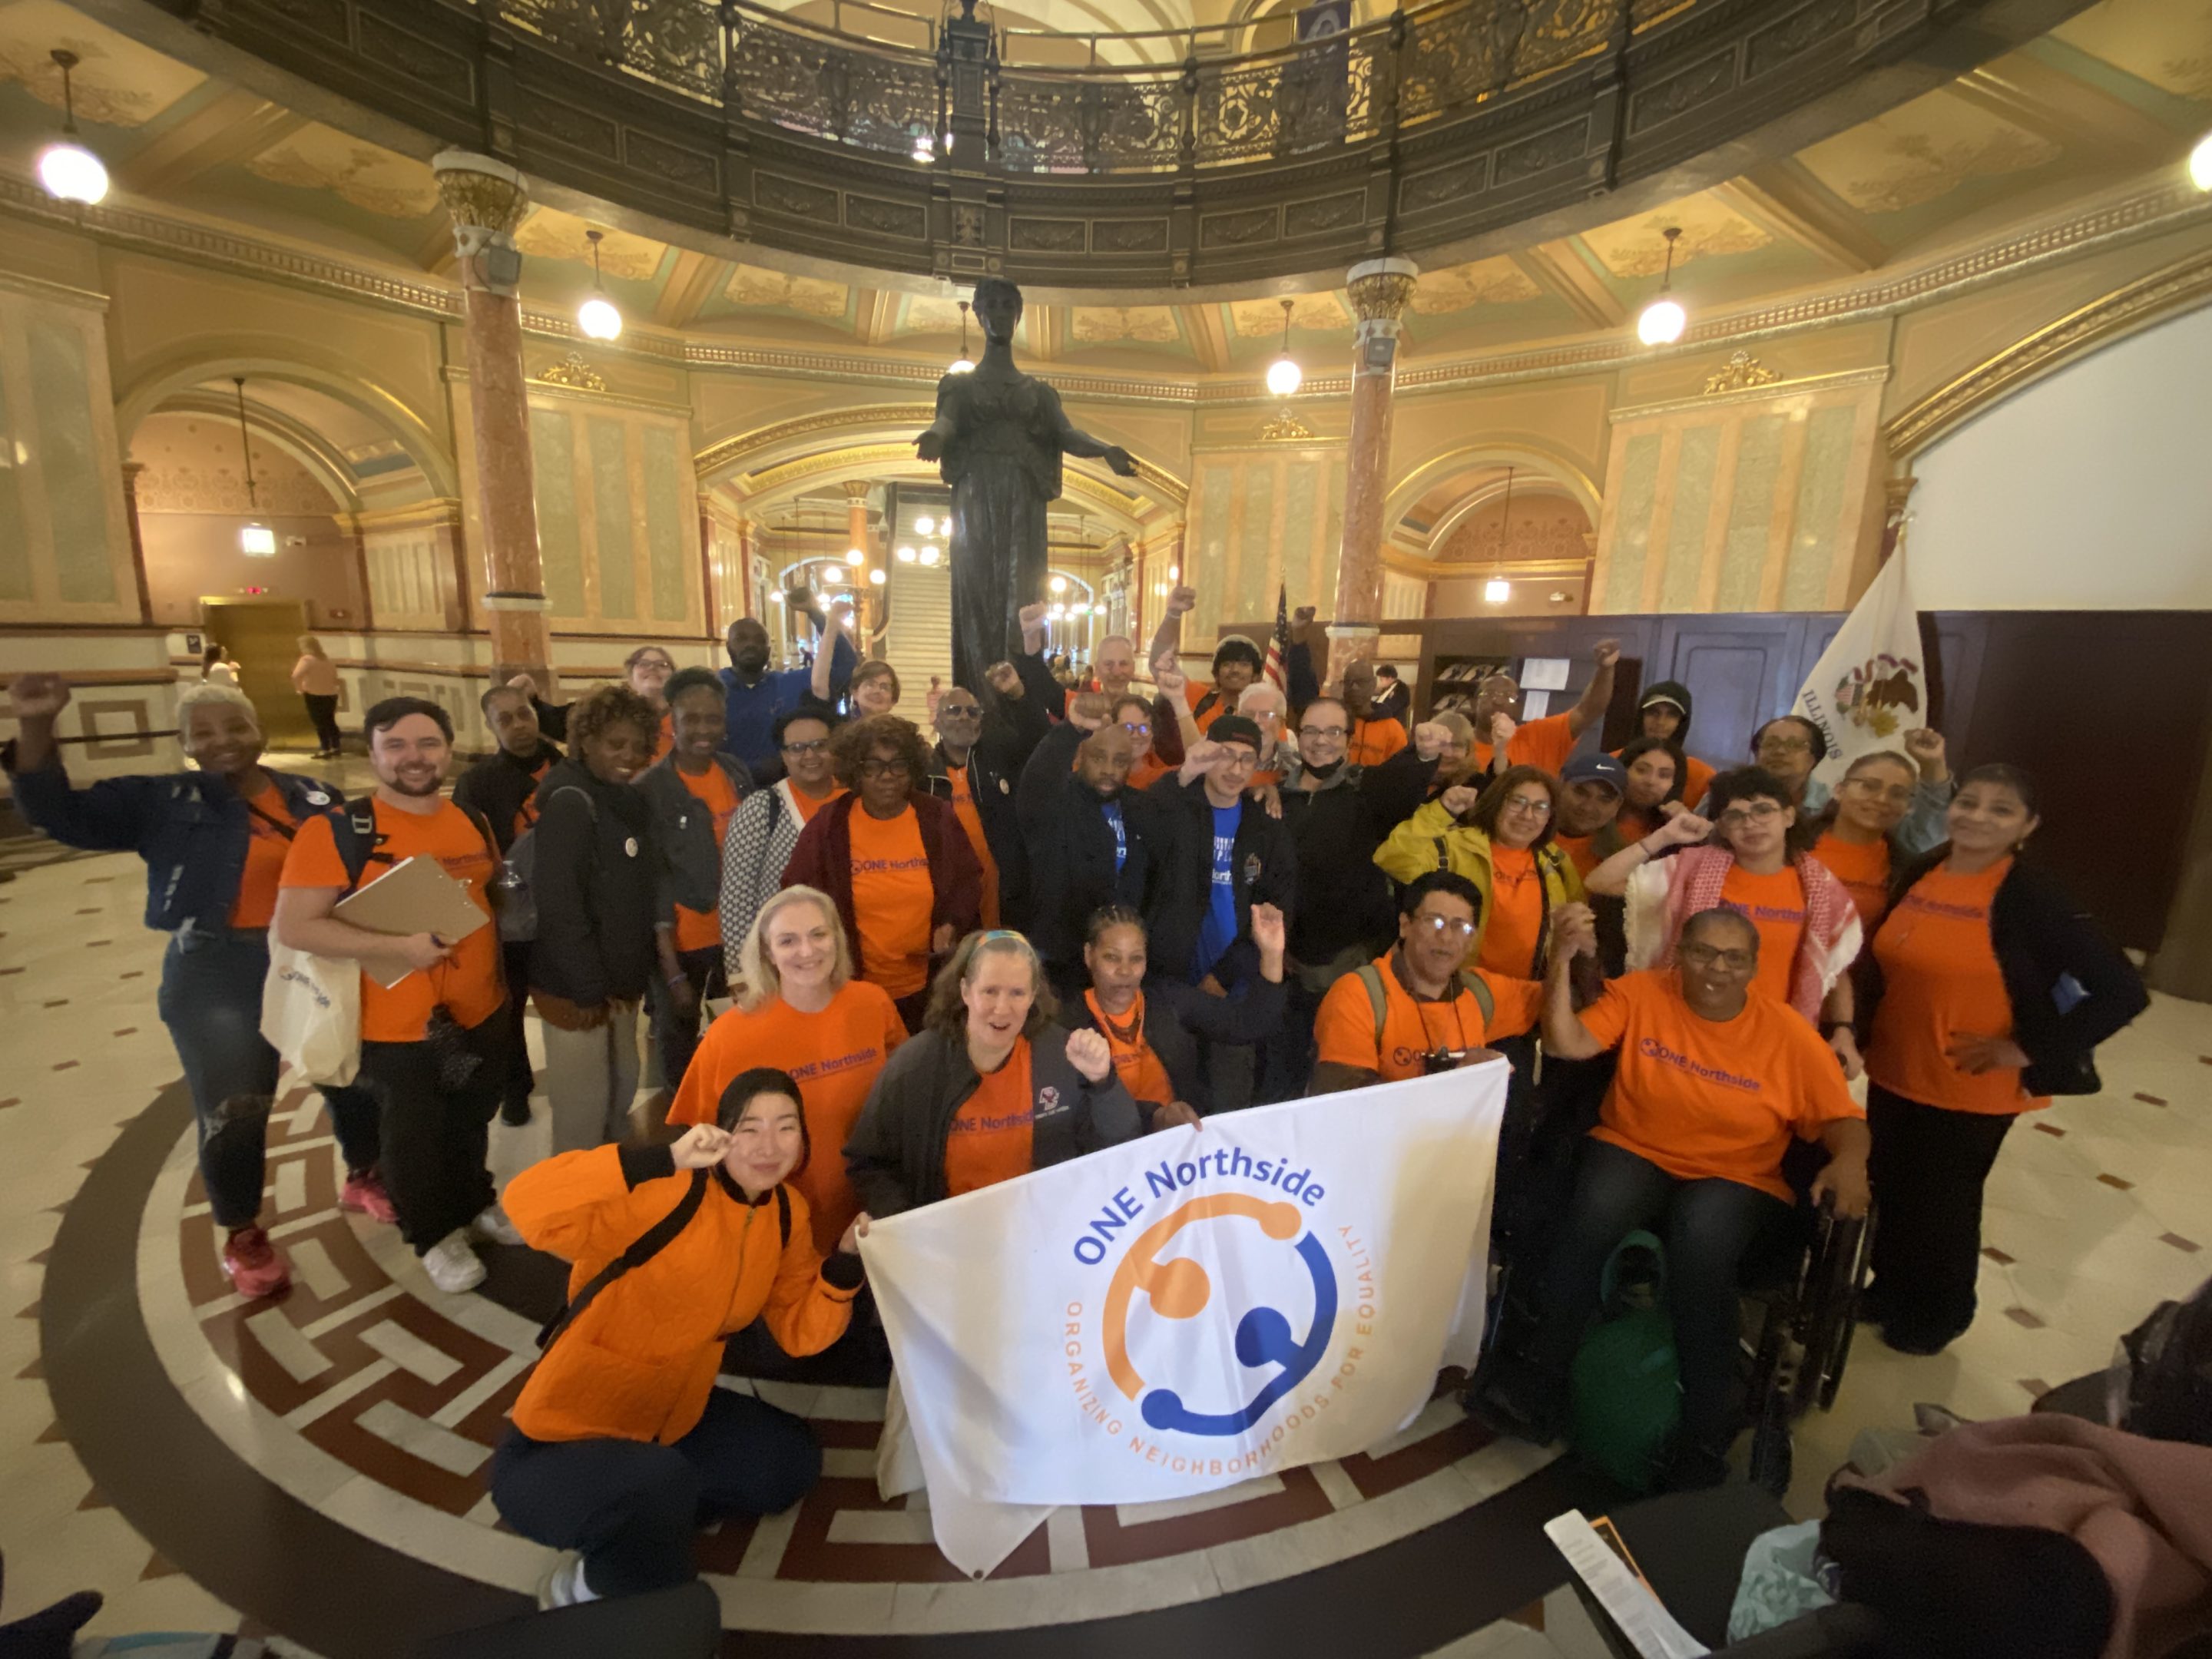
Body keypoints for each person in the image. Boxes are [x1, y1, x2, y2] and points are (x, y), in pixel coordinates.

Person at [4, 676, 389, 1298]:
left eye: (236, 726)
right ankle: (243, 1231)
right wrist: (36, 726)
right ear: (185, 744)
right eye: (203, 733)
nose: (224, 742)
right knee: (235, 1105)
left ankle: (366, 1173)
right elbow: (57, 814)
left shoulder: (313, 795)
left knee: (351, 1075)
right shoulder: (162, 799)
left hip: (313, 957)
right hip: (218, 969)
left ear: (259, 730)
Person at [1475, 906, 1870, 1490]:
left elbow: (1842, 1119)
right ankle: (1542, 1379)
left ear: (1754, 968)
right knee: (1593, 1213)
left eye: (1734, 958)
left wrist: (1851, 1161)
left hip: (1736, 1173)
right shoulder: (1644, 994)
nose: (1717, 968)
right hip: (1635, 1145)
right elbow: (1565, 1042)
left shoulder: (1786, 1033)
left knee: (1701, 1245)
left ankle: (1704, 1426)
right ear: (1679, 954)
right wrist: (1559, 959)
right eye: (1703, 952)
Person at [490, 1073, 863, 1607]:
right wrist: (658, 1160)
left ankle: (650, 1513)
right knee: (659, 1489)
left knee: (789, 1465)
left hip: (671, 1418)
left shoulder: (785, 1213)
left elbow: (800, 1332)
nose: (769, 1146)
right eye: (750, 1128)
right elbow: (527, 1204)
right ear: (722, 1134)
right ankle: (586, 1583)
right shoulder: (667, 1189)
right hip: (561, 1439)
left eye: (786, 1128)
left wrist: (845, 1268)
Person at [1856, 765, 2147, 1356]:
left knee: (1945, 1203)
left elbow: (2121, 990)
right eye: (1969, 802)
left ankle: (1940, 1312)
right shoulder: (1925, 868)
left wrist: (2027, 1048)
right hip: (1896, 1065)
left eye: (2000, 809)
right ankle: (1890, 1289)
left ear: (2027, 826)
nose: (1978, 817)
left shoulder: (2029, 894)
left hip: (1972, 1083)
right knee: (1891, 1183)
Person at [274, 697, 513, 1293]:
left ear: (449, 748)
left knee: (469, 1116)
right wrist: (398, 950)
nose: (414, 758)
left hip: (478, 1006)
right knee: (414, 1134)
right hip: (398, 1022)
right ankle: (432, 1234)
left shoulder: (470, 819)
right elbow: (297, 927)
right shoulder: (339, 831)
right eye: (397, 745)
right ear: (374, 753)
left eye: (427, 744)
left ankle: (473, 1202)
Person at [667, 887, 906, 1255]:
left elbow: (904, 1100)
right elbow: (696, 1139)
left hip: (872, 1217)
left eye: (818, 935)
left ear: (837, 939)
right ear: (767, 952)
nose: (807, 951)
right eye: (788, 940)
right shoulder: (729, 1035)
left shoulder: (873, 1004)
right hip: (779, 1230)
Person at [844, 930, 1143, 1215]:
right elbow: (868, 1161)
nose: (1002, 1009)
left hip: (1045, 1234)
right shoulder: (915, 1065)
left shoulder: (1064, 1055)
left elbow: (1120, 1144)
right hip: (950, 1243)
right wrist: (909, 1223)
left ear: (1033, 996)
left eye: (1017, 993)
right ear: (965, 991)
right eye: (990, 991)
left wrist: (1103, 1083)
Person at [1588, 767, 1862, 1071]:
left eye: (1763, 810)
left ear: (1789, 816)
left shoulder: (1819, 889)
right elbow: (1600, 882)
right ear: (1722, 827)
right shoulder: (1692, 871)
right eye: (1735, 816)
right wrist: (1664, 836)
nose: (1751, 823)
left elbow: (1833, 967)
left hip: (1771, 1044)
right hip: (1683, 1033)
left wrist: (1842, 1030)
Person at [781, 714, 982, 1031]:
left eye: (898, 765)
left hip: (929, 987)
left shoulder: (935, 817)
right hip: (853, 986)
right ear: (856, 772)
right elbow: (795, 891)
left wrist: (952, 922)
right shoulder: (830, 825)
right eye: (872, 766)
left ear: (912, 769)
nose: (886, 776)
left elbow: (969, 878)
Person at [526, 685, 661, 1154]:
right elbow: (560, 905)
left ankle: (611, 1192)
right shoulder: (569, 800)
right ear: (585, 742)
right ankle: (572, 1216)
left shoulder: (624, 798)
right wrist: (587, 988)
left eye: (639, 746)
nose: (629, 756)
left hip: (616, 984)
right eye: (615, 744)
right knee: (581, 1113)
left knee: (620, 1090)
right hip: (574, 988)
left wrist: (627, 979)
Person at [1263, 696, 1403, 1098]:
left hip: (1349, 962)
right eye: (1310, 731)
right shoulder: (1277, 796)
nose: (1320, 741)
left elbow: (1408, 783)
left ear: (1348, 739)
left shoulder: (1370, 792)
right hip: (1283, 964)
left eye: (1331, 731)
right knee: (1281, 1074)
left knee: (1341, 1077)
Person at [1309, 869, 1543, 1091]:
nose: (1446, 937)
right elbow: (1343, 1097)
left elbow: (1557, 1002)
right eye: (1434, 921)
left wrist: (1566, 954)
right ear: (1405, 925)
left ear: (1472, 939)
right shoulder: (1359, 995)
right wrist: (1456, 1077)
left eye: (1461, 926)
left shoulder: (1479, 992)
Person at [452, 684, 565, 1127]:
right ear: (490, 726)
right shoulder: (478, 783)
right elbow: (467, 850)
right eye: (506, 719)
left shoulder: (565, 766)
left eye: (525, 714)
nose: (519, 725)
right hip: (512, 913)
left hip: (562, 908)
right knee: (510, 1007)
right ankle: (515, 1087)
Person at [637, 669, 752, 1096]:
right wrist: (670, 974)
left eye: (713, 719)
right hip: (682, 942)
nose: (704, 730)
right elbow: (650, 882)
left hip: (736, 936)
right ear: (673, 721)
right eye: (692, 720)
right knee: (679, 1041)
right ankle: (685, 1129)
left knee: (733, 1033)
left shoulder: (735, 771)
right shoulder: (651, 789)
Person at [1061, 904, 1286, 1121]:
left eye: (1136, 958)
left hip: (1179, 1147)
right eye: (1111, 957)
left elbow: (1247, 1024)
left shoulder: (1168, 1000)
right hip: (1109, 1151)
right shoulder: (1065, 1023)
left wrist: (1272, 954)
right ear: (1089, 955)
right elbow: (1073, 1114)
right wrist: (1156, 1117)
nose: (1125, 971)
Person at [1017, 699, 1176, 995]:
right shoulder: (1055, 802)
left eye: (1119, 761)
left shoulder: (1140, 808)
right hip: (1061, 960)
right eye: (1099, 758)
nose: (1108, 770)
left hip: (1117, 962)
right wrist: (1070, 730)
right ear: (1082, 755)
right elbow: (1037, 782)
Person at [1375, 764, 1585, 979]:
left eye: (1540, 807)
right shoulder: (1453, 848)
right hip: (1450, 990)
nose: (1527, 815)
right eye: (1517, 802)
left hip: (1527, 998)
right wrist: (1440, 812)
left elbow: (1579, 930)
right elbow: (1393, 860)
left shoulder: (1557, 862)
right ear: (1495, 802)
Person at [1147, 716, 1298, 1002]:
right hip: (1168, 984)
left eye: (1247, 759)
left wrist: (1225, 975)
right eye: (1225, 756)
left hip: (1237, 989)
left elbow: (1279, 909)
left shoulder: (1267, 827)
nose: (1236, 769)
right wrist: (1183, 775)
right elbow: (1144, 823)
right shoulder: (1176, 808)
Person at [717, 707, 844, 978]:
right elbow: (736, 900)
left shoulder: (854, 800)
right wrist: (742, 974)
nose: (810, 756)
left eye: (820, 745)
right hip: (783, 961)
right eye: (797, 748)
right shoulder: (762, 808)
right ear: (784, 755)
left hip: (847, 954)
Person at [923, 671, 1050, 931]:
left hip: (1005, 901)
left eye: (972, 712)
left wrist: (1018, 693)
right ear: (936, 721)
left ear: (981, 722)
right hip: (949, 907)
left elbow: (1039, 737)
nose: (963, 717)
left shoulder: (1000, 759)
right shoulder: (924, 775)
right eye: (954, 710)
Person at [1809, 737, 1946, 929]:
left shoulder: (1904, 869)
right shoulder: (1792, 844)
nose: (1882, 799)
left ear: (1908, 806)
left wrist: (1933, 763)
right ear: (1840, 790)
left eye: (1897, 794)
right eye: (1869, 786)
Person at [720, 589, 854, 778]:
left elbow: (844, 663)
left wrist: (814, 612)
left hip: (784, 788)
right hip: (729, 788)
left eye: (759, 640)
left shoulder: (788, 684)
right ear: (728, 647)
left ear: (769, 649)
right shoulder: (714, 690)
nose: (750, 644)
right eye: (741, 639)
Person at [1465, 638, 1621, 777]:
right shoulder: (1458, 746)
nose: (1498, 701)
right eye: (1489, 694)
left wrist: (1605, 669)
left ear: (1520, 708)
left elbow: (1588, 711)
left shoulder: (1538, 737)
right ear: (1473, 704)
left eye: (1509, 697)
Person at [521, 645, 678, 763]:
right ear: (630, 675)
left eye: (662, 665)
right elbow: (559, 721)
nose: (652, 668)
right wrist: (531, 700)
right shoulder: (608, 708)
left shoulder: (683, 716)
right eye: (643, 664)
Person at [1614, 680, 1713, 807]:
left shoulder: (1702, 776)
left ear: (1682, 723)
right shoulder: (1613, 761)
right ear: (1641, 717)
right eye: (1653, 712)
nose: (1661, 722)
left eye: (1672, 715)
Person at [1549, 751, 1628, 878]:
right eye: (1581, 792)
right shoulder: (1527, 835)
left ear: (1617, 806)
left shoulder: (1619, 860)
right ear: (1561, 784)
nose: (1588, 807)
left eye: (1605, 799)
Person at [1611, 734, 1685, 847]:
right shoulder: (1594, 816)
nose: (1651, 781)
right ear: (1623, 769)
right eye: (1641, 770)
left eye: (1664, 775)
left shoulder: (1678, 829)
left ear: (1675, 784)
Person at [1337, 659, 1410, 768]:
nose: (1354, 688)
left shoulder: (1392, 729)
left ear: (1373, 684)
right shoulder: (1330, 720)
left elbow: (1399, 771)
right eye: (1349, 682)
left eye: (1361, 682)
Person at [290, 635, 343, 758]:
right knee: (330, 721)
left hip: (314, 694)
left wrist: (299, 689)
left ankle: (325, 749)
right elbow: (335, 677)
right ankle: (336, 747)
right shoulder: (326, 660)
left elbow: (296, 675)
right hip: (330, 694)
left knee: (319, 723)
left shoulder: (307, 660)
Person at [1372, 663, 1412, 727]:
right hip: (1385, 720)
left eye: (1381, 680)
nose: (1380, 682)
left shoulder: (1401, 689)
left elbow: (1391, 708)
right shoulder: (1387, 689)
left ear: (1389, 678)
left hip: (1394, 723)